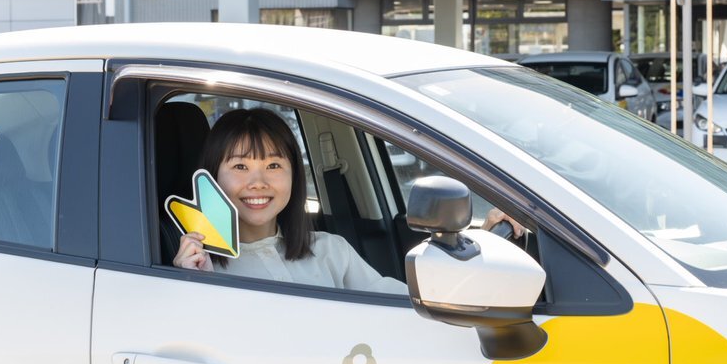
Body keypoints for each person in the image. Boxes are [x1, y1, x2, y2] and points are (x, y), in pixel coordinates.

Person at [172, 108, 521, 294]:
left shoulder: (330, 251)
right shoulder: (201, 268)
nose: (258, 182)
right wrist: (188, 285)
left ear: (294, 175)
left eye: (274, 165)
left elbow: (407, 304)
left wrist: (482, 241)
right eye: (240, 166)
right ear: (212, 177)